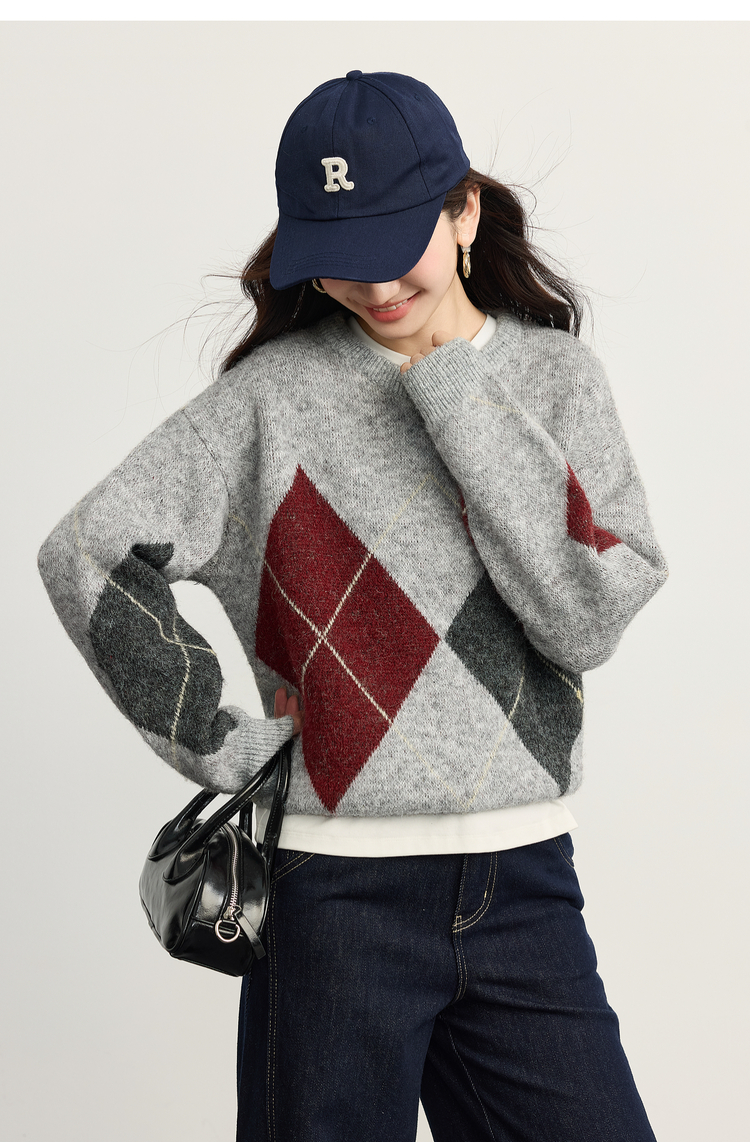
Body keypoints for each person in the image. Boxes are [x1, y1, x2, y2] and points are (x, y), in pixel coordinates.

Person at [38, 70, 667, 1142]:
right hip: (332, 899)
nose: (373, 285)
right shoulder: (269, 401)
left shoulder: (557, 381)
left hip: (524, 887)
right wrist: (223, 742)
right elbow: (88, 554)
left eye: (394, 242)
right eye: (339, 253)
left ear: (464, 211)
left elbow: (584, 620)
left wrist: (449, 385)